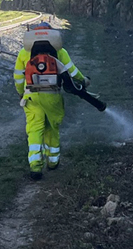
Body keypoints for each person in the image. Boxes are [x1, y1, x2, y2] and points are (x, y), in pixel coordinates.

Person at [13, 22, 88, 180]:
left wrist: (20, 93)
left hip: (31, 96)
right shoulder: (60, 52)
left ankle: (35, 166)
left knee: (34, 129)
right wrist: (84, 81)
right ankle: (53, 162)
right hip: (52, 96)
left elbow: (18, 78)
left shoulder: (23, 53)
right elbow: (73, 72)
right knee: (52, 128)